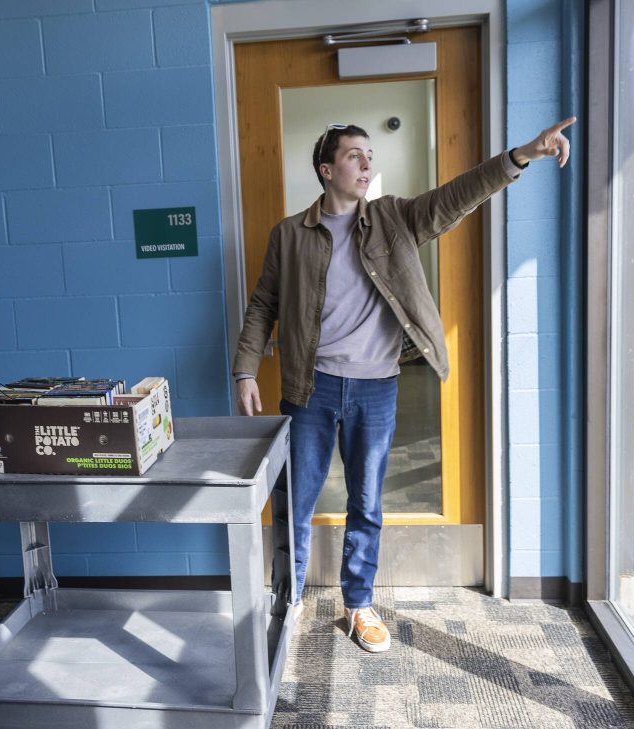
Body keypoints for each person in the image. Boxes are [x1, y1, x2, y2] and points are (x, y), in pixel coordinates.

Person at [233, 117, 576, 653]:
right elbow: (263, 306)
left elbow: (455, 197)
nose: (367, 163)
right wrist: (246, 368)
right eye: (354, 155)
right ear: (327, 170)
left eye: (370, 154)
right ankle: (288, 598)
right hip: (311, 387)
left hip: (375, 387)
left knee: (366, 501)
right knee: (295, 500)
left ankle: (358, 605)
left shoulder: (393, 218)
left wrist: (521, 156)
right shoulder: (289, 235)